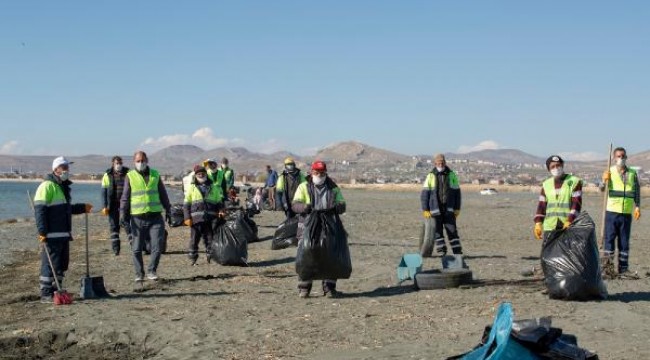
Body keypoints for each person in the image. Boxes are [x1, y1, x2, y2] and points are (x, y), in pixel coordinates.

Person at [34, 156, 93, 302]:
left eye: (68, 167)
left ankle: (57, 289)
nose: (67, 170)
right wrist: (42, 232)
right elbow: (40, 211)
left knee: (62, 264)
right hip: (51, 234)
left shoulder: (62, 187)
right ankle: (46, 292)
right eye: (64, 167)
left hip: (63, 233)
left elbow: (65, 210)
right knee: (50, 264)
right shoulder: (46, 186)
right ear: (56, 169)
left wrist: (81, 208)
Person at [292, 160, 347, 298]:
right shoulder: (303, 186)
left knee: (331, 255)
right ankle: (304, 288)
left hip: (328, 225)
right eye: (317, 173)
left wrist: (339, 206)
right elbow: (295, 205)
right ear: (311, 172)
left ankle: (329, 288)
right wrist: (304, 207)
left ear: (325, 173)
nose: (319, 175)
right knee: (307, 254)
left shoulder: (333, 187)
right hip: (307, 225)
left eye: (322, 173)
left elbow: (342, 203)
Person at [120, 151, 171, 282]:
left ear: (147, 160)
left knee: (157, 246)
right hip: (137, 218)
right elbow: (125, 197)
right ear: (134, 162)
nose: (140, 163)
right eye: (138, 161)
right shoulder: (130, 176)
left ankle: (152, 271)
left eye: (142, 160)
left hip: (155, 217)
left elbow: (163, 194)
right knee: (136, 248)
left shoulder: (155, 174)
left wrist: (168, 210)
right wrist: (122, 214)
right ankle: (139, 273)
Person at [601, 147, 641, 275]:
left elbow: (637, 191)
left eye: (623, 156)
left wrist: (637, 206)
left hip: (626, 213)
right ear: (614, 158)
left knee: (624, 242)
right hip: (612, 211)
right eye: (618, 156)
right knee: (609, 240)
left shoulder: (632, 173)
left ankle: (623, 269)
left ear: (626, 157)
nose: (621, 158)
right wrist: (603, 181)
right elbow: (602, 190)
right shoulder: (610, 171)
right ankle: (608, 268)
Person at [420, 153, 463, 256]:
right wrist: (425, 209)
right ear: (435, 163)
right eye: (439, 162)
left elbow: (457, 192)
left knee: (452, 230)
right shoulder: (430, 176)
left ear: (445, 162)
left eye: (442, 162)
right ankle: (442, 252)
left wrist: (457, 208)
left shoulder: (451, 174)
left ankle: (457, 252)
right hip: (435, 209)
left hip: (449, 209)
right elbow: (425, 193)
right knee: (438, 232)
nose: (441, 164)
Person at [533, 155, 583, 243]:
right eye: (552, 166)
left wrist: (570, 220)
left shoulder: (574, 181)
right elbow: (541, 206)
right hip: (550, 226)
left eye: (558, 165)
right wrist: (538, 223)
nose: (556, 168)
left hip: (567, 225)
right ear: (549, 170)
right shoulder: (546, 184)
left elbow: (576, 204)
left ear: (562, 165)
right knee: (549, 254)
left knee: (567, 254)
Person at [183, 165, 225, 265]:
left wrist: (221, 210)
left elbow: (219, 201)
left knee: (210, 238)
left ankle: (210, 257)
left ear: (206, 174)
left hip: (209, 218)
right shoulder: (191, 188)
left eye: (202, 173)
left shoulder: (213, 187)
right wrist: (187, 217)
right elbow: (186, 204)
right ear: (196, 175)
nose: (201, 175)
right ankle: (193, 258)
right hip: (195, 219)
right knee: (194, 240)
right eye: (198, 173)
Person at [100, 156, 130, 256]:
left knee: (127, 225)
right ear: (113, 163)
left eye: (120, 163)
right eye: (117, 163)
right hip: (112, 205)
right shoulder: (107, 175)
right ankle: (116, 249)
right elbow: (103, 192)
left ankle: (134, 247)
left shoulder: (128, 173)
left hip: (125, 205)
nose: (119, 165)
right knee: (114, 227)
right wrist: (104, 206)